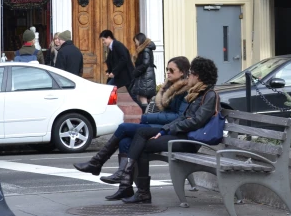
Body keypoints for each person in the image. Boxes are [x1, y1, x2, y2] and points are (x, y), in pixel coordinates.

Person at [73, 57, 191, 201]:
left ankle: (98, 163)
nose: (168, 73)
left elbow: (177, 117)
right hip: (159, 126)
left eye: (171, 70)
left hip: (169, 130)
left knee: (123, 128)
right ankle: (125, 187)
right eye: (167, 69)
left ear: (183, 72)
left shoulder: (185, 91)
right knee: (125, 142)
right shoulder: (170, 88)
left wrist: (146, 118)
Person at [108, 57, 219, 204]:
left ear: (198, 76)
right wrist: (165, 130)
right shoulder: (196, 93)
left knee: (142, 144)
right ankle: (130, 184)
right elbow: (183, 118)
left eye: (191, 73)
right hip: (180, 135)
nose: (189, 76)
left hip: (190, 140)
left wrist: (169, 129)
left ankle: (135, 185)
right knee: (132, 138)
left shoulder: (209, 95)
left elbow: (195, 122)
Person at [131, 32, 157, 111]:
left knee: (142, 98)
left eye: (136, 41)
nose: (135, 43)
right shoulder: (145, 49)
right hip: (145, 76)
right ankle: (147, 114)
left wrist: (135, 72)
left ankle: (146, 116)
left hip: (145, 77)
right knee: (141, 97)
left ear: (140, 40)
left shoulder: (145, 49)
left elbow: (145, 64)